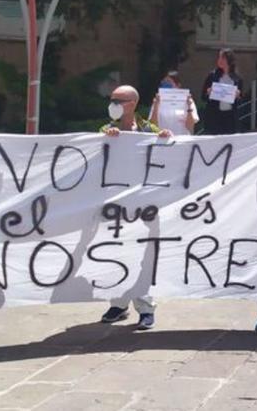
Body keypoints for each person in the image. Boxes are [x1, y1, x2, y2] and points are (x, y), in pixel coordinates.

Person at [98, 85, 172, 331]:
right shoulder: (106, 130)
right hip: (116, 206)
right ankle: (118, 304)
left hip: (144, 206)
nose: (113, 103)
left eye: (118, 100)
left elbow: (167, 153)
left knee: (144, 256)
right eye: (112, 99)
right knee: (116, 253)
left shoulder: (147, 130)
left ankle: (145, 307)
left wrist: (165, 140)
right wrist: (106, 139)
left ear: (132, 103)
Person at [202, 49, 243, 135]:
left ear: (229, 60)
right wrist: (208, 93)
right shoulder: (212, 76)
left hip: (230, 117)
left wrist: (238, 96)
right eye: (219, 57)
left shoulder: (237, 78)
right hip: (215, 116)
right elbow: (203, 96)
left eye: (222, 58)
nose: (219, 60)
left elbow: (240, 101)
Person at [150, 71, 198, 136]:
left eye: (169, 82)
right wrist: (156, 105)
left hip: (181, 140)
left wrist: (189, 107)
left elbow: (190, 127)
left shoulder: (188, 100)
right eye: (164, 83)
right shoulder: (157, 100)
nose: (166, 85)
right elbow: (153, 125)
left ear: (178, 85)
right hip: (162, 140)